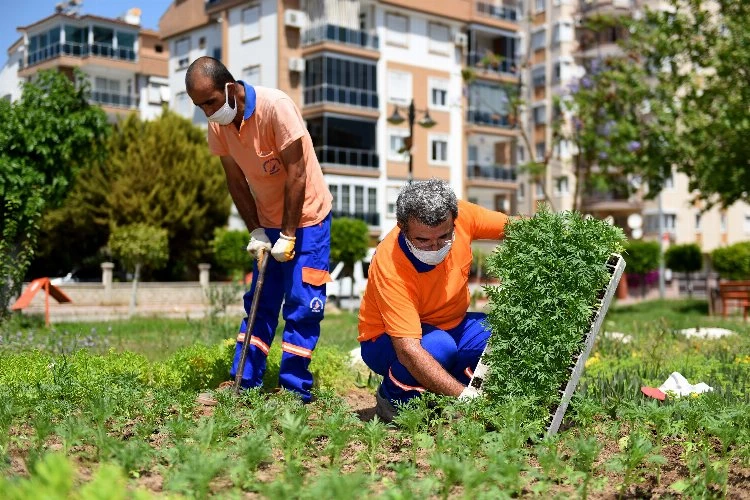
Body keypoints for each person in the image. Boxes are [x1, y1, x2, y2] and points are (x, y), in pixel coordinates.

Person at [186, 56, 332, 404]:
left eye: (210, 102)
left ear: (230, 87)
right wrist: (257, 231)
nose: (207, 112)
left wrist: (290, 234)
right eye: (199, 106)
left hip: (308, 219)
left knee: (301, 303)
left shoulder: (275, 106)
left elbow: (297, 174)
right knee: (260, 302)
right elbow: (234, 180)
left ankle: (295, 391)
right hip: (268, 222)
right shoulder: (219, 125)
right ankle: (243, 382)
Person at [357, 179, 508, 421]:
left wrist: (564, 232)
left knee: (502, 335)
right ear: (402, 227)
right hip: (386, 340)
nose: (434, 247)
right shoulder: (391, 264)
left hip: (452, 325)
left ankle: (440, 393)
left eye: (444, 237)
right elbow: (408, 350)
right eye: (423, 240)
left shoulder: (463, 214)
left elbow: (517, 228)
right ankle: (394, 399)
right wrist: (466, 400)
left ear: (453, 221)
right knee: (438, 348)